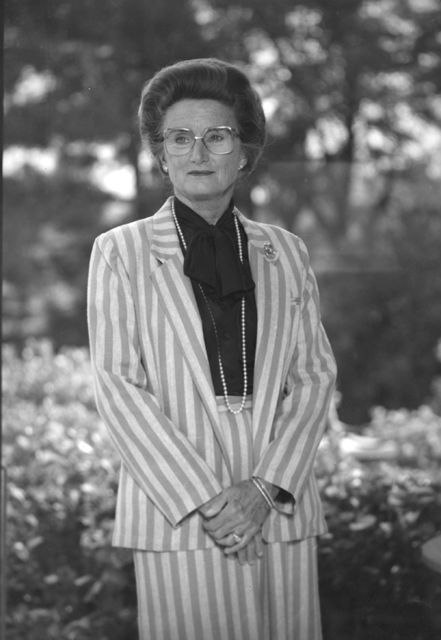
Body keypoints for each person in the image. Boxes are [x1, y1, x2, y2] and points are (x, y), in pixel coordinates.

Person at [87, 57, 337, 640]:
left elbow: (314, 377)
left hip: (277, 499)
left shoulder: (287, 251)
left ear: (245, 152)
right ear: (161, 154)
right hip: (179, 509)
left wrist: (263, 489)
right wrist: (211, 501)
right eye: (180, 138)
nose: (197, 152)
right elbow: (118, 387)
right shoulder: (119, 252)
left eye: (217, 136)